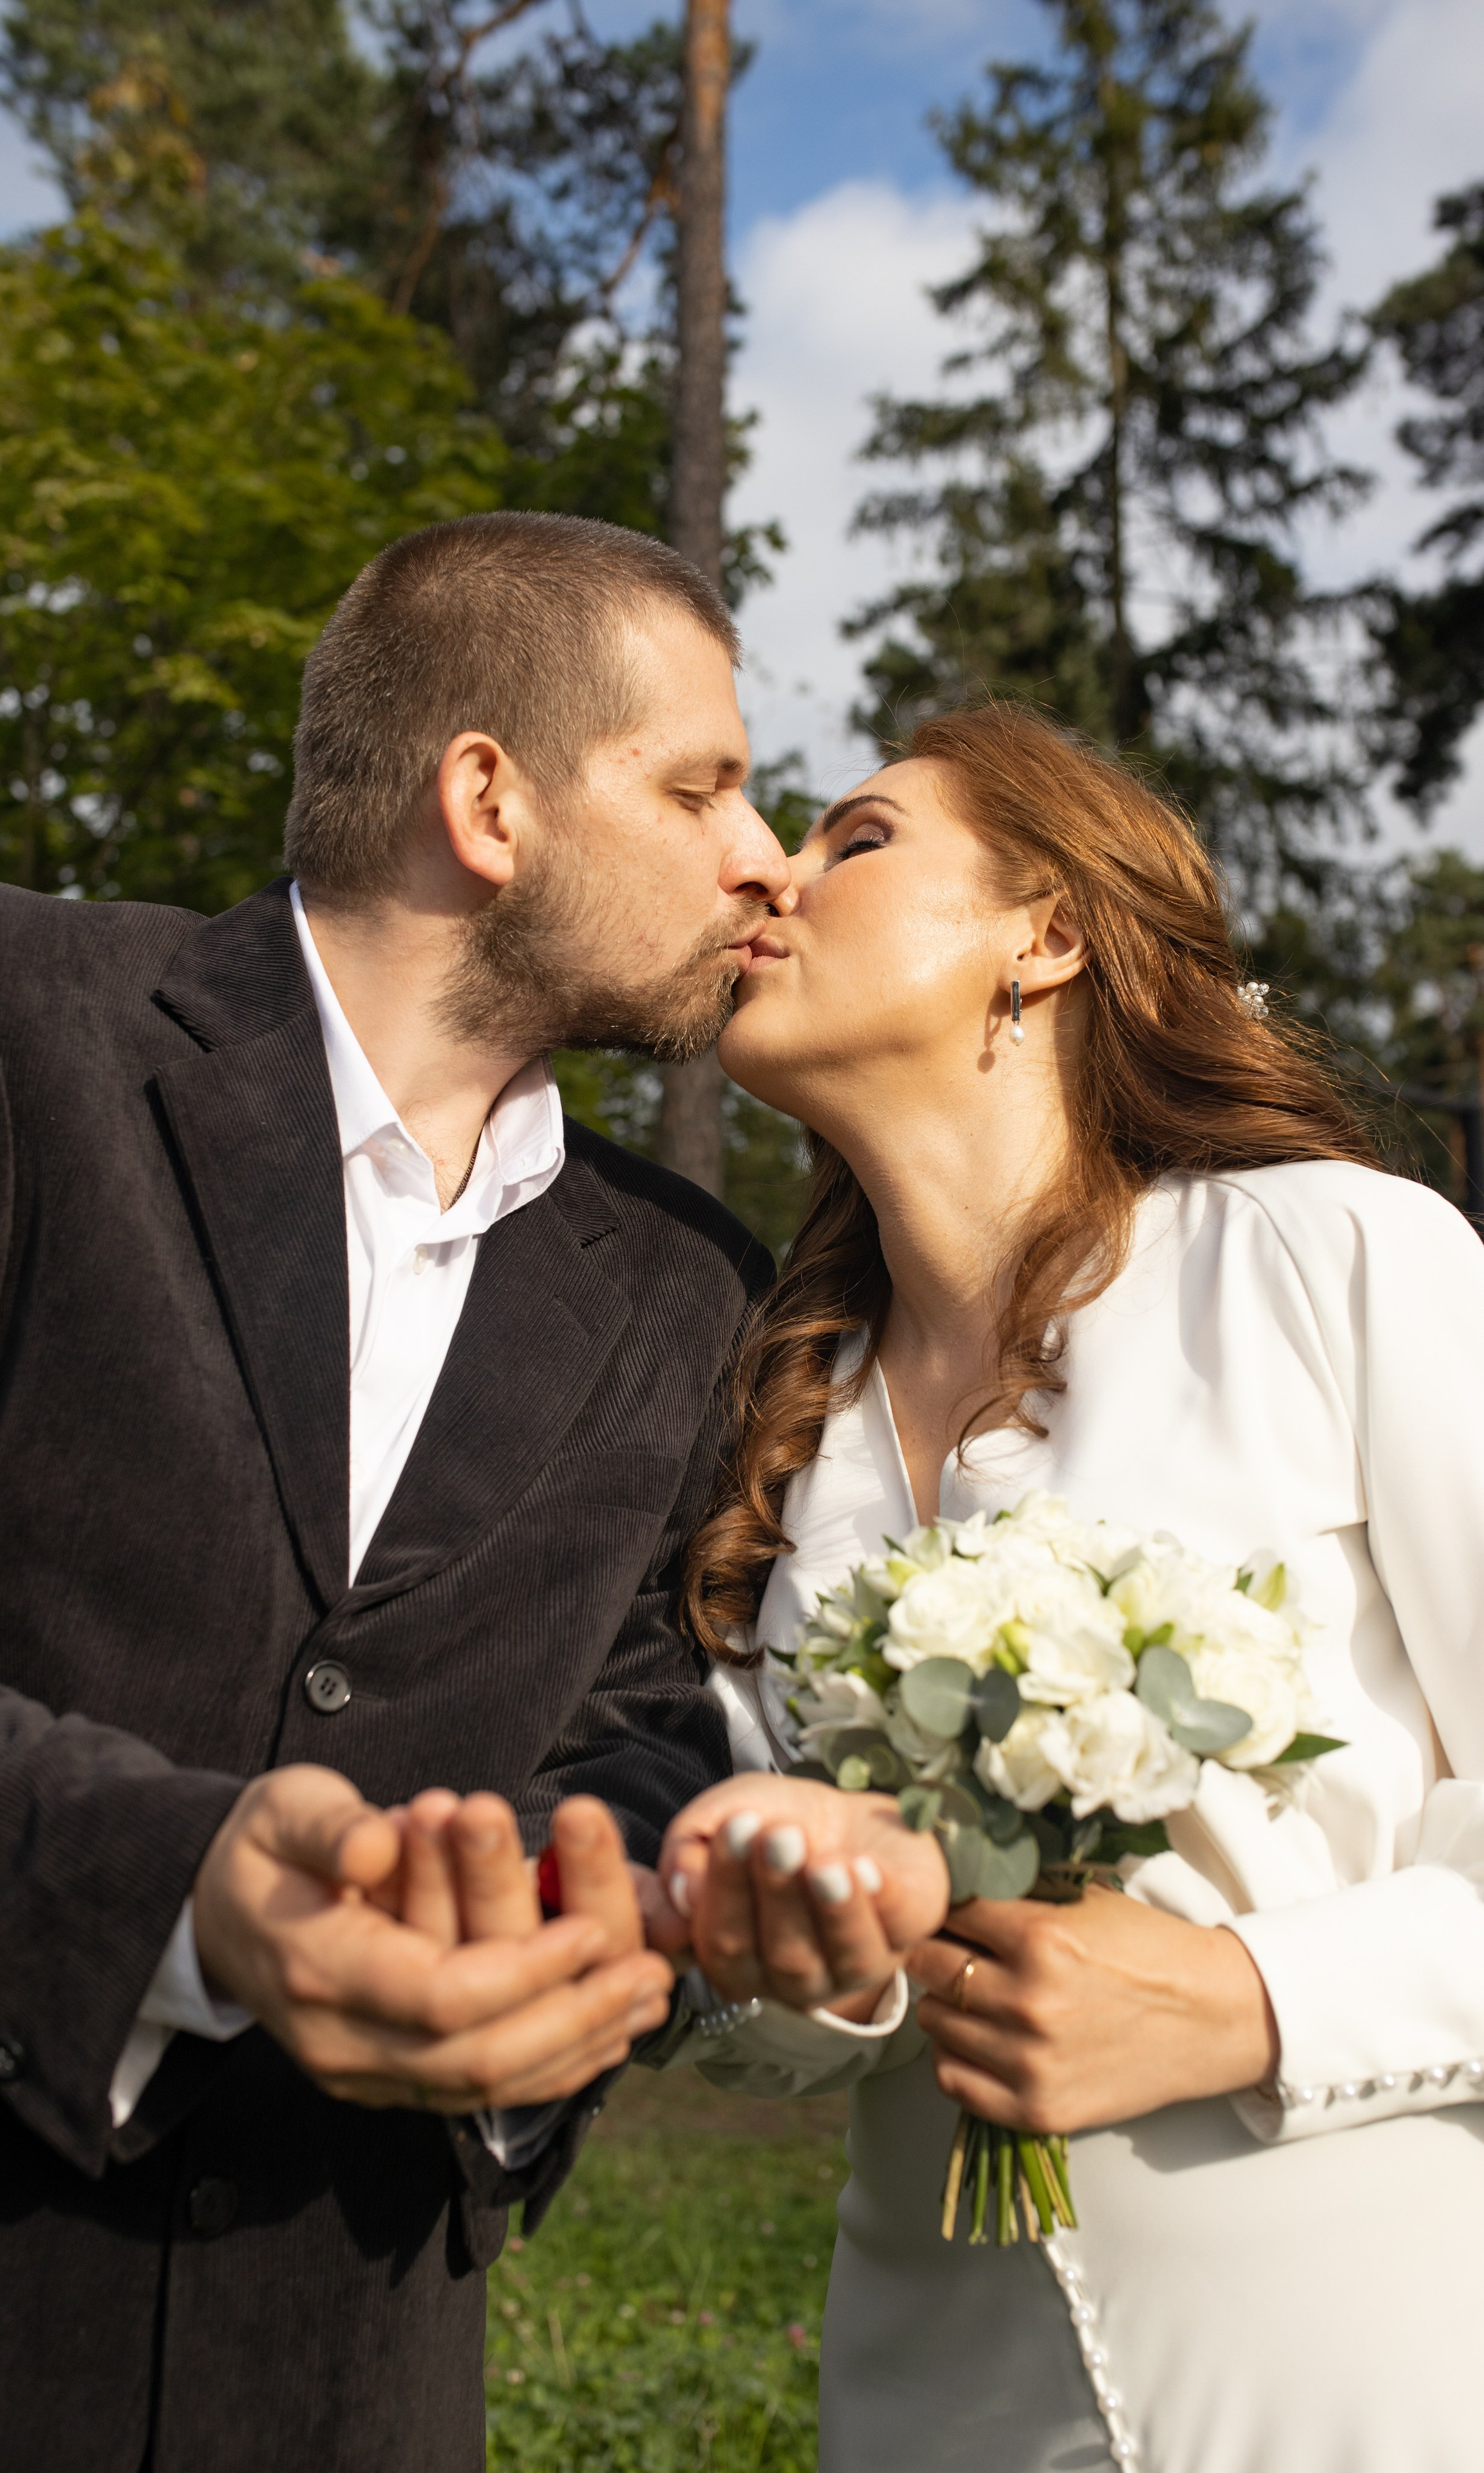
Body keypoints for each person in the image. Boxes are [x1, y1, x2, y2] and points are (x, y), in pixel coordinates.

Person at [0, 509, 810, 2473]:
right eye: (702, 784)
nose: (764, 857)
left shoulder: (694, 1283)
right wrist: (176, 1889)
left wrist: (564, 1955)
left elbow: (644, 1725)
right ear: (489, 799)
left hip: (347, 2373)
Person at [653, 701, 1484, 2473]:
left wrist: (1250, 1999)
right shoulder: (763, 1434)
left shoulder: (1334, 1258)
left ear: (1048, 936)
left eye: (856, 839)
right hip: (939, 2399)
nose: (772, 875)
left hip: (1376, 2379)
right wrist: (800, 1965)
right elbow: (760, 2038)